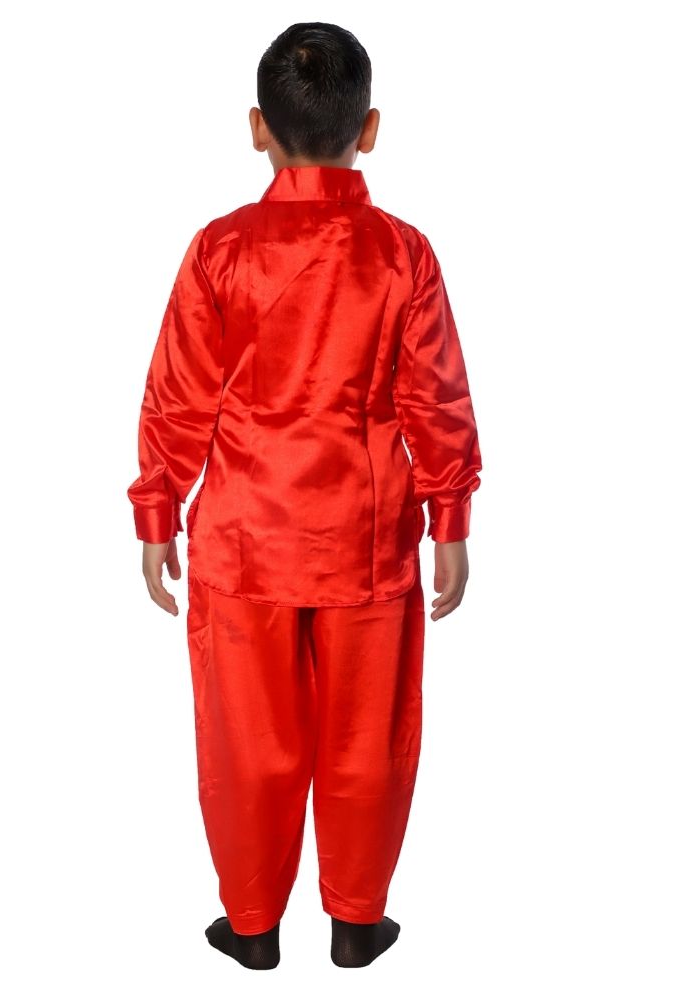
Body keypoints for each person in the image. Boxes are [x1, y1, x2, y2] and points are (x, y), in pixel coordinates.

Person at [126, 22, 482, 970]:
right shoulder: (404, 254)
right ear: (369, 130)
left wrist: (158, 511)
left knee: (247, 744)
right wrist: (450, 521)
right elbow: (437, 397)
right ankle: (357, 924)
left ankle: (251, 926)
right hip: (368, 542)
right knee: (368, 740)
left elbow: (178, 393)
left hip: (244, 544)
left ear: (257, 128)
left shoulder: (220, 250)